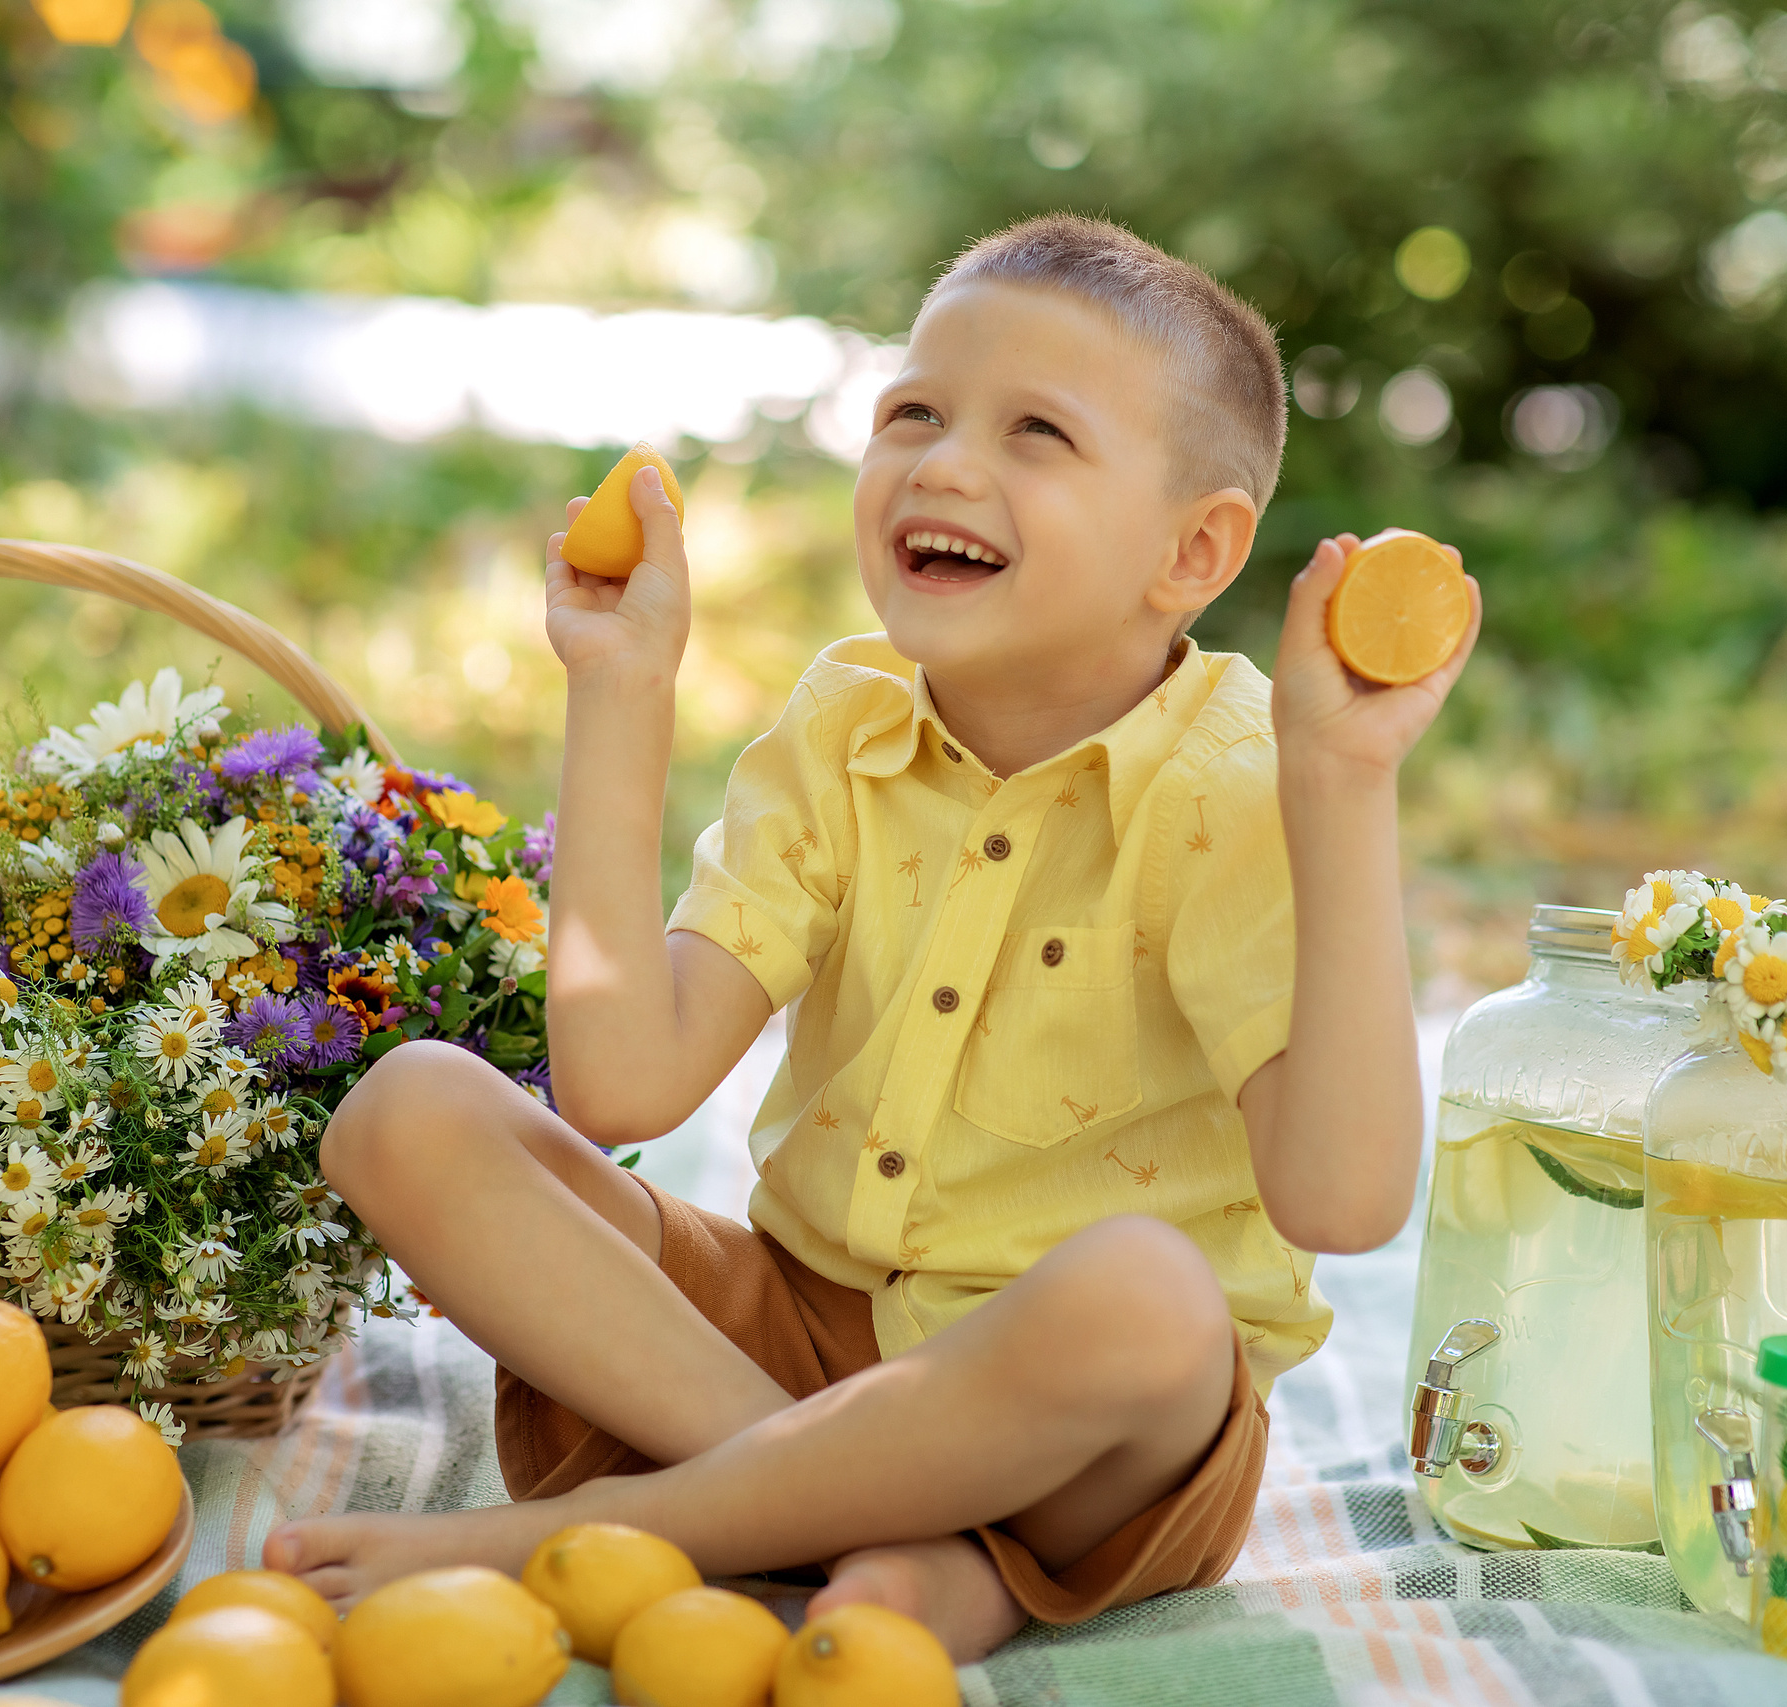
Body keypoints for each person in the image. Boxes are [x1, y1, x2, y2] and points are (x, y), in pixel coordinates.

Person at [264, 213, 1480, 1659]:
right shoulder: (843, 728)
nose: (945, 462)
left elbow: (1343, 1207)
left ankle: (654, 1528)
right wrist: (621, 686)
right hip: (786, 1331)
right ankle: (875, 1532)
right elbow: (619, 1086)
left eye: (1037, 432)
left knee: (1150, 1298)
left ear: (1191, 551)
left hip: (1083, 1425)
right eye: (913, 412)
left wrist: (1338, 788)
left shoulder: (1233, 788)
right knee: (407, 1110)